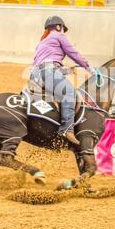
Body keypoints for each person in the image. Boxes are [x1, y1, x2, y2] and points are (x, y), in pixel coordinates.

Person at [30, 16, 91, 145]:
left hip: (36, 74)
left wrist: (66, 71)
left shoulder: (43, 41)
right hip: (47, 72)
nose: (63, 31)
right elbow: (73, 53)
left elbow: (45, 64)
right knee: (69, 93)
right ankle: (66, 130)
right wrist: (87, 67)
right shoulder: (59, 35)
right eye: (63, 28)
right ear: (58, 26)